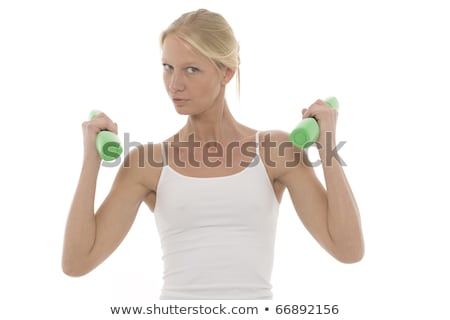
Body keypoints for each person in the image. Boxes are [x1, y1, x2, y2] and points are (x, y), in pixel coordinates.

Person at [62, 8, 364, 300]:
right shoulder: (146, 163)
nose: (174, 84)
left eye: (191, 69)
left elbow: (348, 250)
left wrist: (328, 149)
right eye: (168, 67)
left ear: (226, 72)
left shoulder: (276, 151)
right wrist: (91, 160)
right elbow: (77, 263)